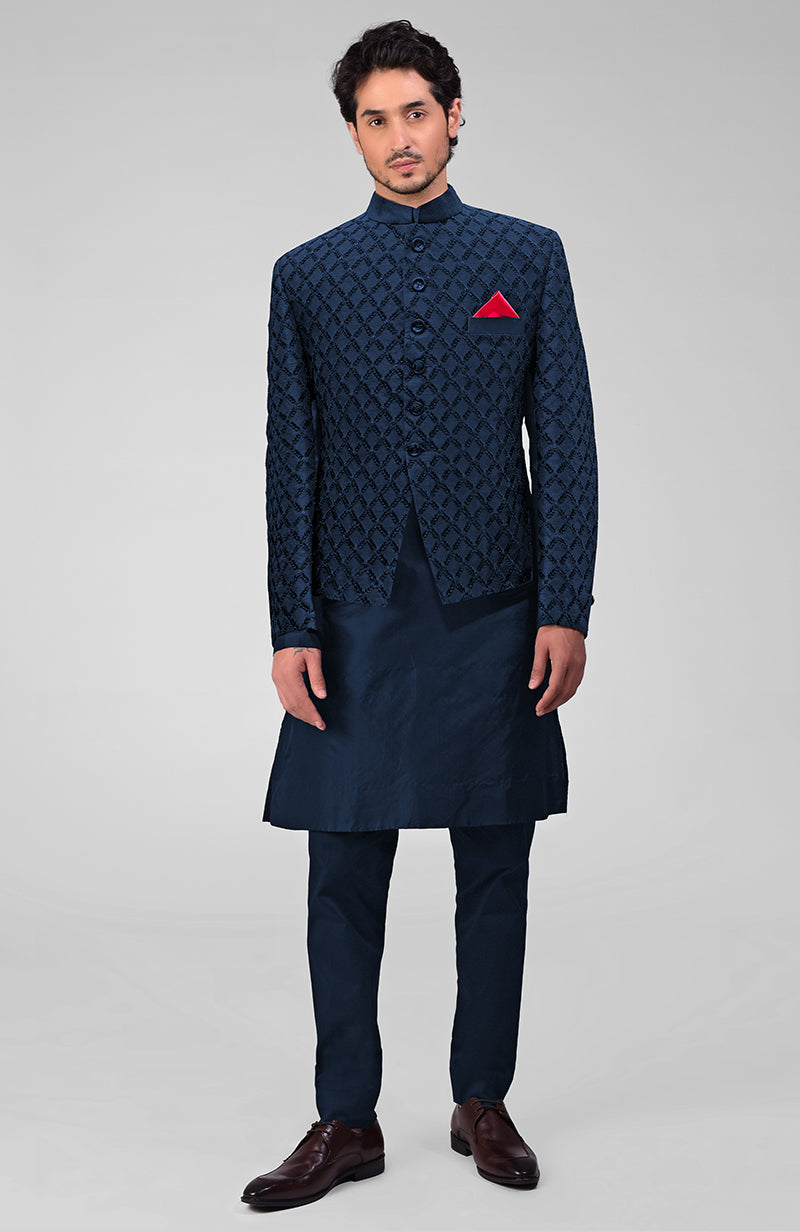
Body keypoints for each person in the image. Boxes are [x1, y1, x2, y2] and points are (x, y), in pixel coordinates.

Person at [242, 18, 598, 1211]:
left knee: (495, 862)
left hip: (494, 609)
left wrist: (564, 605)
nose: (398, 137)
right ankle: (345, 1118)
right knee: (340, 869)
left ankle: (480, 1099)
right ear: (351, 134)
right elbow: (290, 461)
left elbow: (566, 445)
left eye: (415, 112)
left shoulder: (525, 257)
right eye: (374, 118)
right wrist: (292, 623)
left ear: (453, 116)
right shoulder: (306, 275)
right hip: (351, 613)